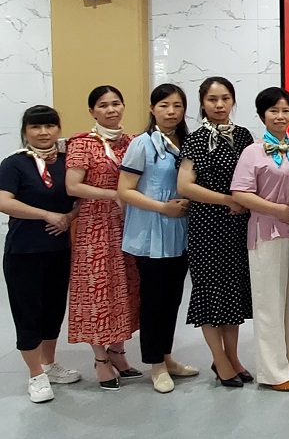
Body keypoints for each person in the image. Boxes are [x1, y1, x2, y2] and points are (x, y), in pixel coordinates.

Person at [118, 84, 199, 394]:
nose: (171, 112)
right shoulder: (142, 144)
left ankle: (166, 356)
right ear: (152, 109)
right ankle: (155, 364)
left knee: (172, 298)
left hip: (180, 232)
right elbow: (125, 190)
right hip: (151, 233)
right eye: (164, 105)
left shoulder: (186, 142)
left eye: (177, 106)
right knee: (153, 300)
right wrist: (163, 207)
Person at [232, 87, 289, 392]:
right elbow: (240, 193)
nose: (280, 116)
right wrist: (280, 210)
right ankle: (272, 372)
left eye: (285, 110)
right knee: (269, 301)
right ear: (262, 115)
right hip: (266, 231)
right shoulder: (252, 152)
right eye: (273, 111)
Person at [176, 76, 254, 388]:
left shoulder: (244, 135)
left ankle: (232, 357)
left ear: (233, 100)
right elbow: (185, 186)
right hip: (207, 226)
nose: (219, 105)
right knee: (210, 294)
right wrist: (227, 200)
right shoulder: (196, 139)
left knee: (233, 293)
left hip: (238, 227)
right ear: (202, 104)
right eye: (212, 99)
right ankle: (219, 359)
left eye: (225, 98)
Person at [0, 106, 80, 403]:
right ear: (25, 131)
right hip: (24, 252)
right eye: (36, 127)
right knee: (28, 312)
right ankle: (35, 375)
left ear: (58, 128)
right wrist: (46, 214)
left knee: (53, 309)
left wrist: (69, 217)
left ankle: (49, 364)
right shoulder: (14, 164)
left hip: (59, 250)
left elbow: (79, 198)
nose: (43, 132)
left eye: (49, 126)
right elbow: (4, 201)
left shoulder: (66, 163)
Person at [65, 85, 140, 391]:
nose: (111, 110)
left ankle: (118, 352)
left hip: (127, 224)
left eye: (116, 103)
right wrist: (114, 194)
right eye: (104, 105)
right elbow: (73, 186)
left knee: (125, 287)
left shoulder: (131, 142)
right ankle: (100, 359)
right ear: (92, 111)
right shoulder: (83, 143)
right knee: (97, 291)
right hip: (95, 228)